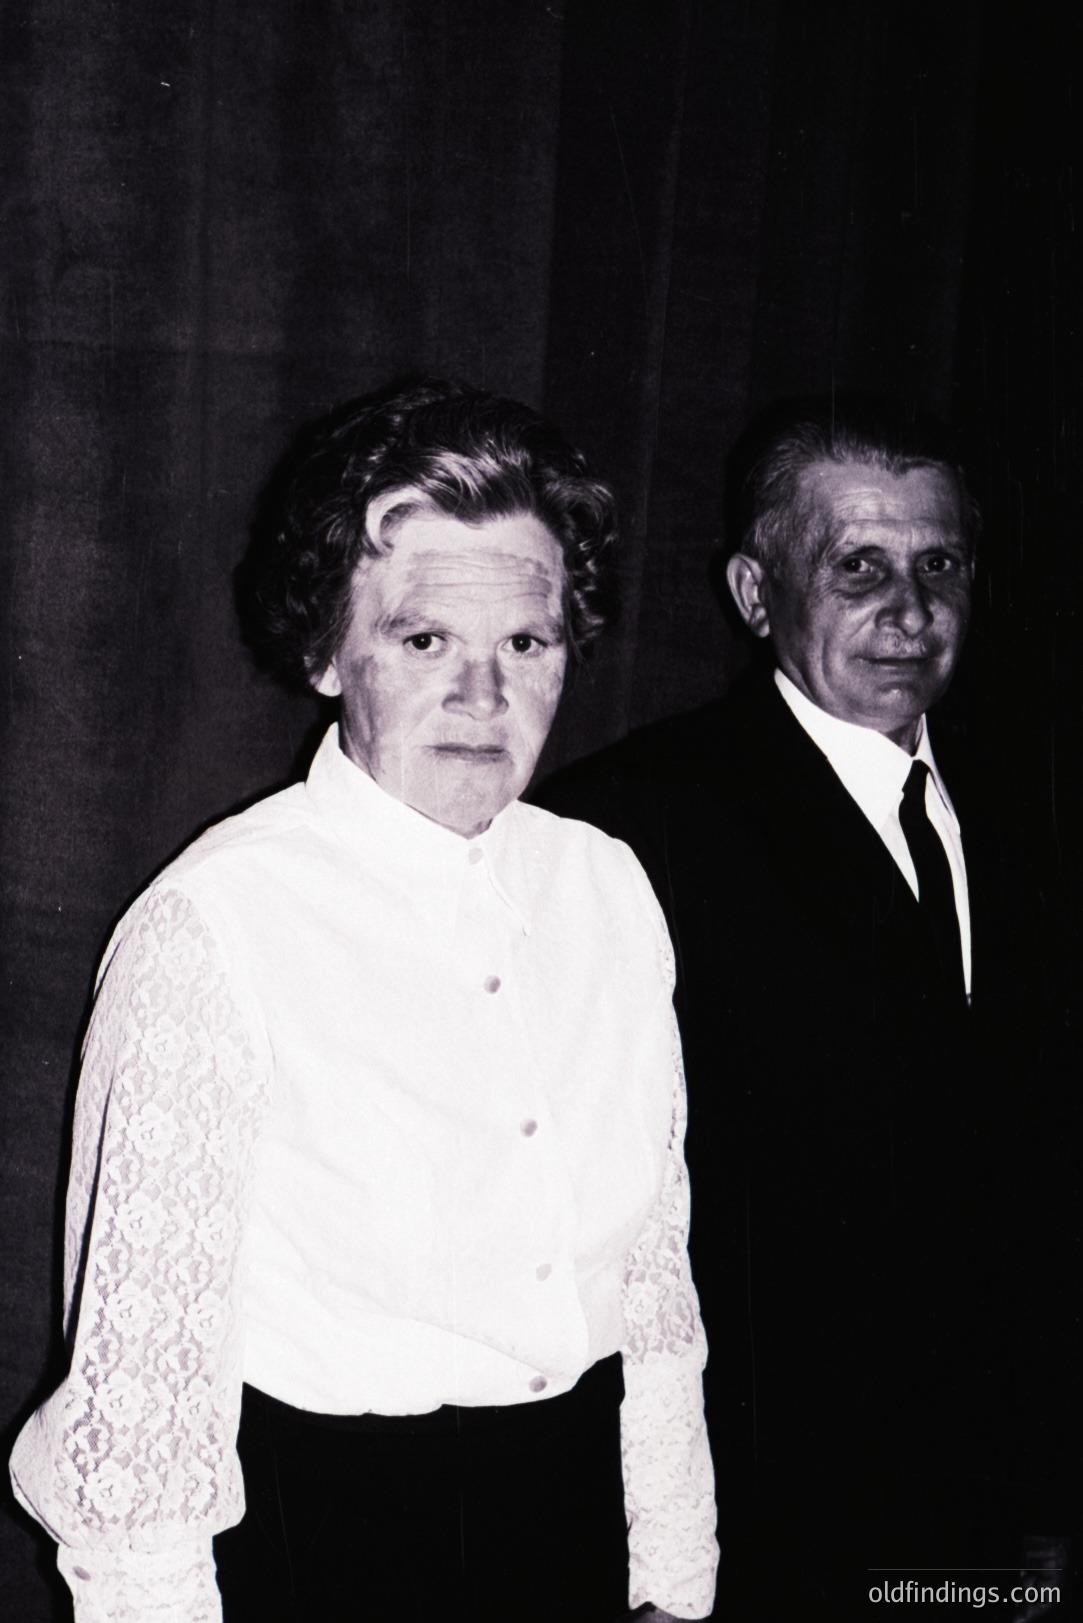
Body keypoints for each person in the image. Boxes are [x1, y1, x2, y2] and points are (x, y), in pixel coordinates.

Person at [9, 378, 718, 1623]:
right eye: (424, 640)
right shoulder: (215, 930)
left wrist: (672, 1582)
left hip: (567, 1539)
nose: (483, 699)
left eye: (526, 645)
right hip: (321, 1551)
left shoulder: (607, 889)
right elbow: (139, 1431)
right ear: (327, 652)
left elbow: (653, 1288)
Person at [538, 398, 1075, 1615]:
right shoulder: (626, 828)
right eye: (859, 568)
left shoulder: (1035, 802)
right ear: (755, 591)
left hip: (991, 1518)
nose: (911, 609)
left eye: (939, 564)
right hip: (760, 1520)